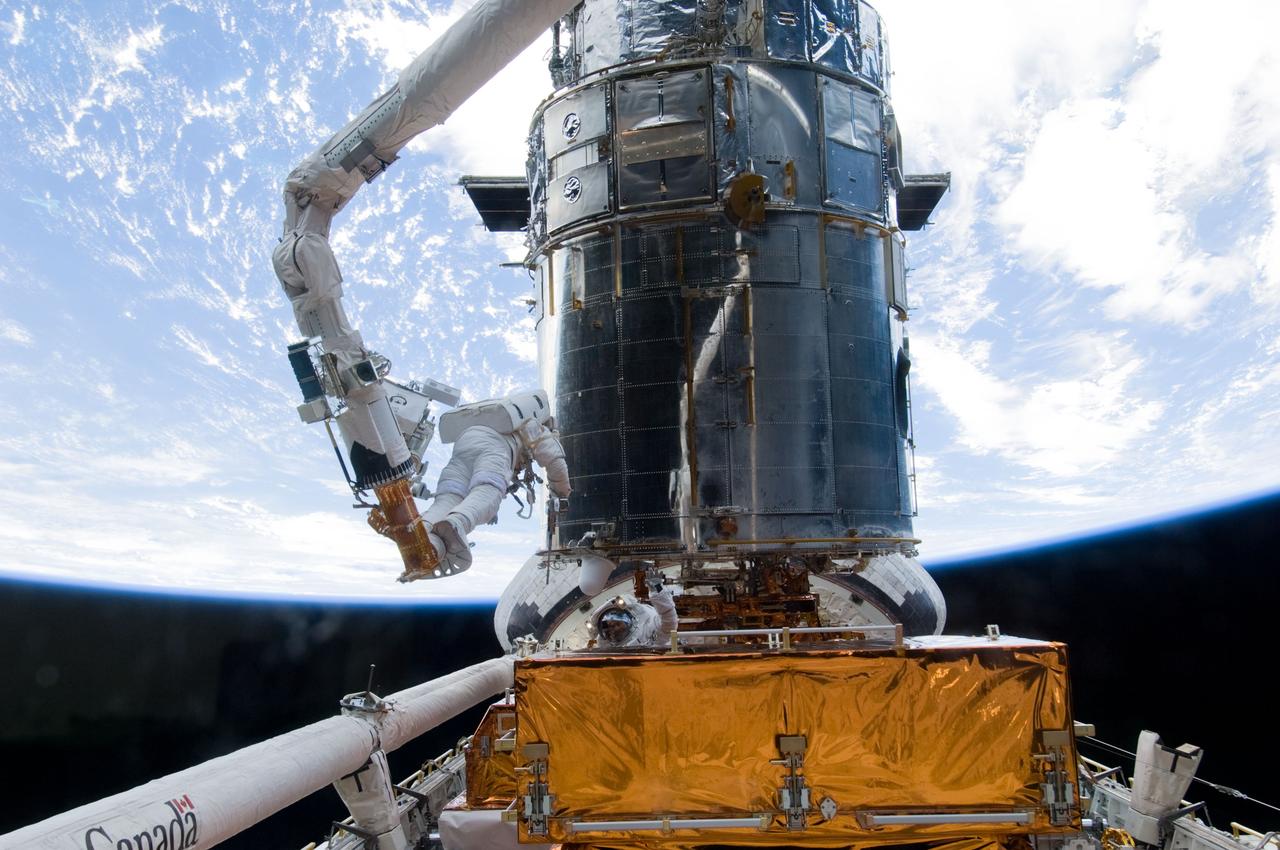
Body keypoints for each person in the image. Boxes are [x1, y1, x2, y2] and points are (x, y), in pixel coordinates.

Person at [422, 391, 570, 573]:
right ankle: (458, 522)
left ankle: (425, 530)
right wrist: (561, 492)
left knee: (449, 498)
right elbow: (556, 462)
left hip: (463, 446)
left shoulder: (505, 421)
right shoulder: (535, 426)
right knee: (487, 491)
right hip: (494, 447)